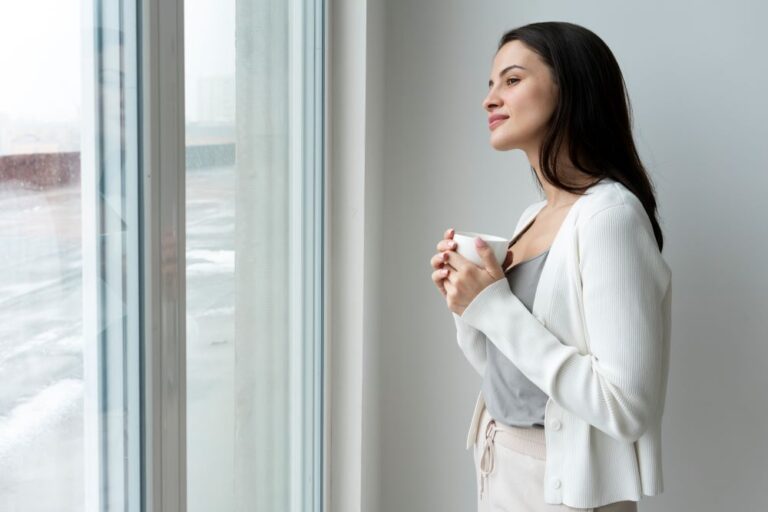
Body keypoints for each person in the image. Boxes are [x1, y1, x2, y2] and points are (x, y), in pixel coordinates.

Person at [429, 21, 671, 512]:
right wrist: (468, 300)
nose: (490, 99)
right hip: (501, 464)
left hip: (563, 485)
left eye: (512, 80)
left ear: (571, 89)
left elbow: (626, 406)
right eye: (490, 84)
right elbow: (515, 378)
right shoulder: (533, 217)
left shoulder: (610, 216)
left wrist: (494, 307)